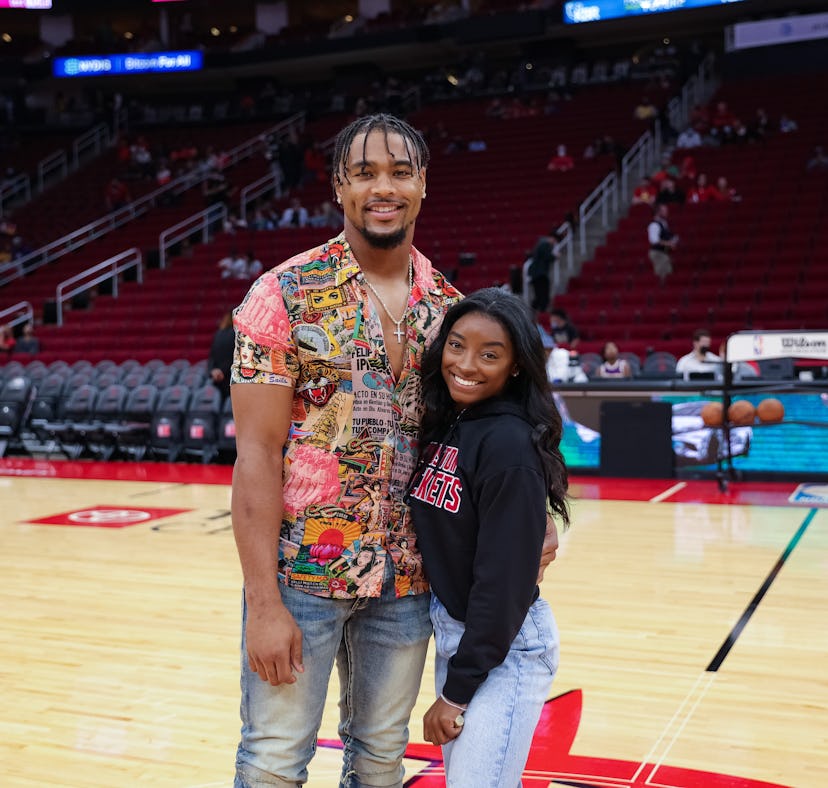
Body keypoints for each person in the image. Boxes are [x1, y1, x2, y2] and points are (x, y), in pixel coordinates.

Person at [229, 114, 559, 788]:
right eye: (366, 172)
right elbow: (256, 456)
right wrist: (263, 604)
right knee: (273, 759)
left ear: (423, 184)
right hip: (302, 579)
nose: (385, 186)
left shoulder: (452, 310)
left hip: (410, 582)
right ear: (339, 188)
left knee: (380, 760)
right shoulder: (281, 296)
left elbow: (494, 434)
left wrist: (537, 511)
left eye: (400, 171)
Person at [405, 288, 569, 786]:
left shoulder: (508, 445)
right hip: (462, 634)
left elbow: (502, 584)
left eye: (490, 354)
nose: (467, 364)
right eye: (456, 345)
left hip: (503, 645)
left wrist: (456, 692)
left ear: (516, 366)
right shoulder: (452, 423)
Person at [208, 311, 235, 401]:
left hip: (217, 377)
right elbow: (234, 356)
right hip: (230, 376)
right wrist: (222, 371)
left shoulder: (218, 334)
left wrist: (214, 370)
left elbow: (212, 357)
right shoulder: (236, 334)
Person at [647, 204, 678, 284]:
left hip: (664, 252)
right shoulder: (654, 225)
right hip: (658, 253)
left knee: (667, 273)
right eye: (664, 210)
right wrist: (669, 243)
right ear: (658, 212)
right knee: (663, 275)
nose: (667, 212)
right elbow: (654, 240)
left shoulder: (664, 223)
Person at [527, 234, 558, 313]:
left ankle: (535, 310)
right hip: (540, 274)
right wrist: (555, 256)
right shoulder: (545, 245)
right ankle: (541, 310)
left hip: (536, 274)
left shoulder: (540, 244)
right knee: (542, 293)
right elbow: (547, 256)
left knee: (539, 294)